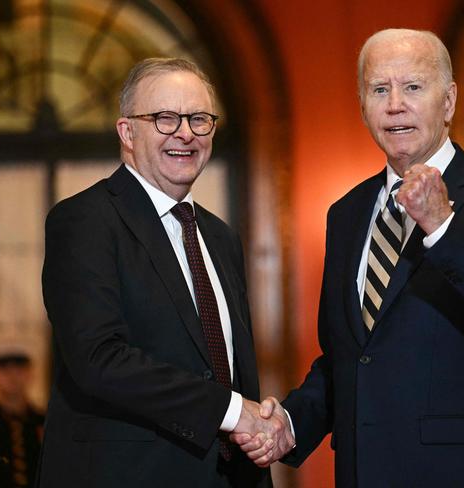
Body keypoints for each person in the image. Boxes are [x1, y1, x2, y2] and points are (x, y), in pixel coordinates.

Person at [234, 29, 464, 487]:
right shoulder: (346, 213)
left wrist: (443, 227)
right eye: (379, 89)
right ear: (363, 106)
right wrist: (290, 422)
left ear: (448, 102)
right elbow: (350, 357)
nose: (394, 104)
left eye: (413, 87)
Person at [35, 58, 292, 488]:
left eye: (199, 119)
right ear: (127, 132)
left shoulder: (220, 237)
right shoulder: (84, 220)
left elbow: (230, 368)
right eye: (165, 118)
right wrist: (232, 411)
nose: (185, 133)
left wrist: (258, 428)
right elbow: (99, 359)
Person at [0, 344, 44, 488]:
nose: (12, 376)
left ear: (30, 374)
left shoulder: (45, 421)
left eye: (19, 369)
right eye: (4, 370)